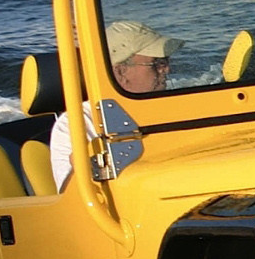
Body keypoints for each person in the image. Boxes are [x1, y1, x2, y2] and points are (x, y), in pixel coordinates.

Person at [51, 21, 183, 189]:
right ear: (121, 72)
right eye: (157, 64)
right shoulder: (78, 123)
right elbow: (74, 197)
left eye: (165, 62)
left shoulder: (174, 104)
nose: (166, 70)